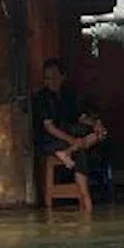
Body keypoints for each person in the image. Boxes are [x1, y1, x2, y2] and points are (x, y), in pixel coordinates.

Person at [32, 58, 108, 212]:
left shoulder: (68, 94)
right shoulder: (42, 98)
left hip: (68, 136)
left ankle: (67, 152)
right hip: (49, 140)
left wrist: (96, 124)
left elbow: (81, 116)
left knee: (101, 134)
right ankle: (86, 200)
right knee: (80, 151)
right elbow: (50, 128)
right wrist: (74, 141)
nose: (51, 81)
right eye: (47, 78)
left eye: (55, 77)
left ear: (62, 76)